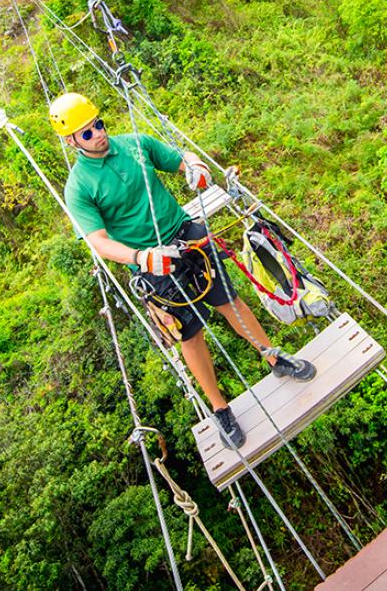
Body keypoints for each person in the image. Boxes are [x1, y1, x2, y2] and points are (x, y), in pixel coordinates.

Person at [49, 92, 316, 448]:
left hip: (184, 233)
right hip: (151, 260)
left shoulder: (135, 144)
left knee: (229, 300)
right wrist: (141, 258)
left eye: (98, 124)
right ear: (71, 142)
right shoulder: (79, 187)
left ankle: (272, 356)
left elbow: (179, 158)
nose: (98, 133)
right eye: (86, 132)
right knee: (189, 335)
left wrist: (195, 167)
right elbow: (99, 242)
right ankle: (220, 409)